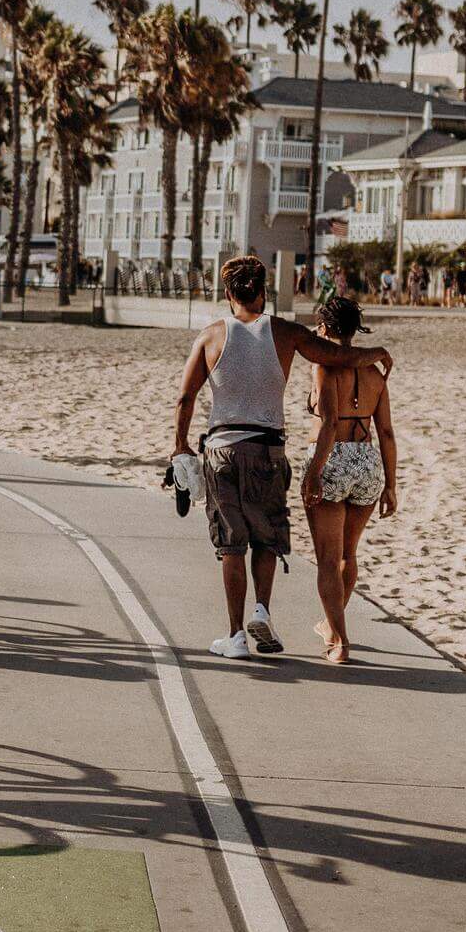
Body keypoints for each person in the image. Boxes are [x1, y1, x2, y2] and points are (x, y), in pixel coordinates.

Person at [171, 254, 390, 662]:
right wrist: (374, 351)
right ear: (264, 292)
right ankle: (263, 610)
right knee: (267, 536)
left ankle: (236, 635)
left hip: (222, 449)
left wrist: (179, 445)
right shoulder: (286, 333)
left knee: (231, 545)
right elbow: (336, 356)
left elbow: (186, 397)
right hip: (268, 449)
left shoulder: (211, 337)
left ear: (228, 293)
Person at [298, 292, 397, 666]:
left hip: (333, 459)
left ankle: (339, 641)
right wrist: (390, 484)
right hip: (367, 462)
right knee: (348, 555)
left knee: (326, 560)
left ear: (323, 327)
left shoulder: (322, 369)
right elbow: (386, 432)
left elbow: (328, 426)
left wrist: (313, 473)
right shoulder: (376, 374)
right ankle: (330, 624)